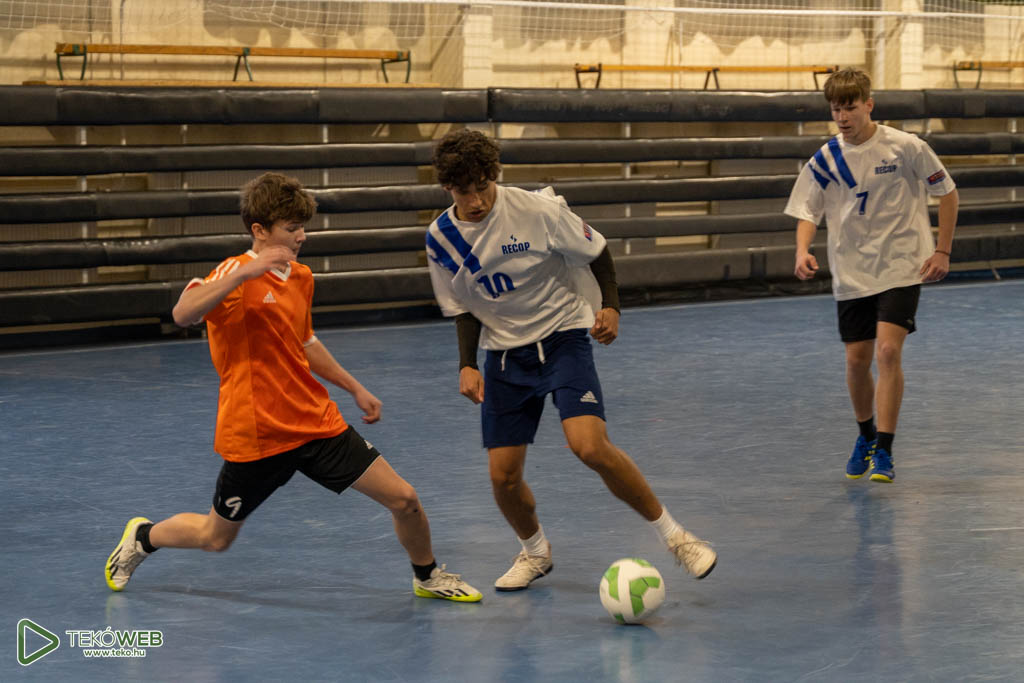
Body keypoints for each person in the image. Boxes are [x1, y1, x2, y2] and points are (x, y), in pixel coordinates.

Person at [104, 172, 481, 602]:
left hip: (315, 424)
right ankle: (144, 536)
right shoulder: (232, 273)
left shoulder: (301, 277)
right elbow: (183, 313)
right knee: (215, 537)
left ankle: (427, 576)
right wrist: (245, 273)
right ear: (260, 230)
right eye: (291, 228)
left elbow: (304, 342)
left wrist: (353, 387)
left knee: (404, 499)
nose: (301, 236)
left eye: (303, 227)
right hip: (257, 435)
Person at [426, 129, 716, 591]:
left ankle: (677, 537)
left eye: (484, 186)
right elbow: (463, 305)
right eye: (464, 191)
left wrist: (611, 307)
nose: (477, 200)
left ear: (494, 176)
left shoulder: (536, 210)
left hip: (562, 337)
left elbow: (597, 250)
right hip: (505, 355)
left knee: (590, 446)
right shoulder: (441, 239)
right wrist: (466, 363)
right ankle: (536, 553)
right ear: (447, 188)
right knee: (503, 477)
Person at [785, 67, 959, 483]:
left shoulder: (906, 147)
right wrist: (802, 249)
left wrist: (942, 250)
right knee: (856, 360)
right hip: (852, 272)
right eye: (835, 109)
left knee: (888, 353)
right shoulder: (826, 159)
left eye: (850, 108)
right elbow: (808, 210)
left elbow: (948, 193)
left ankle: (885, 447)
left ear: (869, 105)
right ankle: (865, 436)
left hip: (902, 266)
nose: (842, 117)